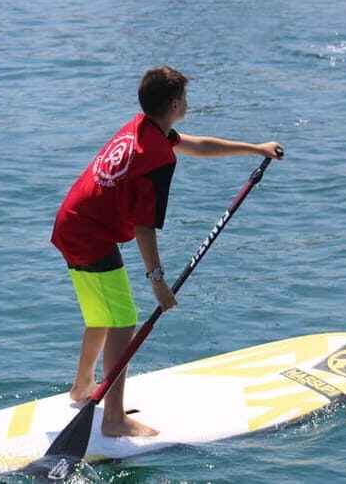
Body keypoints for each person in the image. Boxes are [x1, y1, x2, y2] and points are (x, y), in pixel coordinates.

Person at [50, 65, 283, 438]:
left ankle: (82, 386)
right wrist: (157, 280)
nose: (187, 103)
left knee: (103, 312)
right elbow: (144, 224)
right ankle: (113, 419)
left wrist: (255, 149)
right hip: (90, 235)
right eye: (186, 99)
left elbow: (198, 144)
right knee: (123, 320)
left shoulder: (142, 128)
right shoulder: (157, 158)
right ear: (175, 104)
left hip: (70, 222)